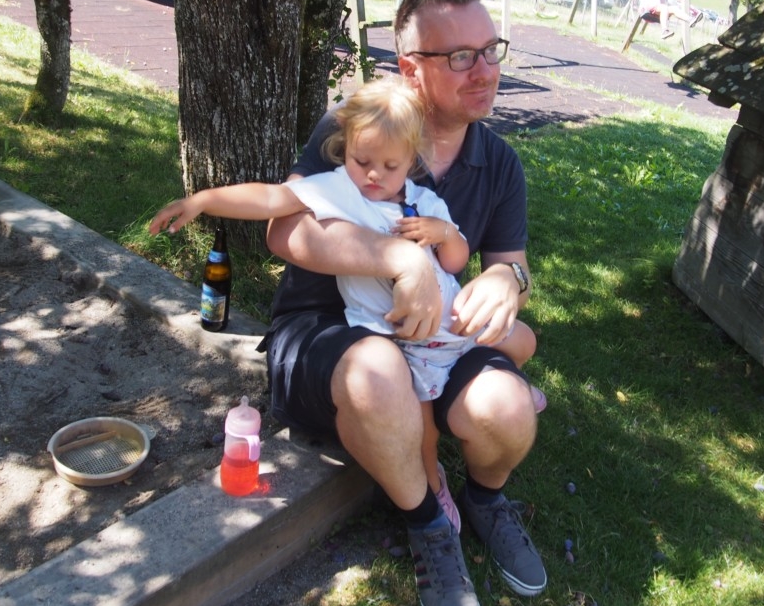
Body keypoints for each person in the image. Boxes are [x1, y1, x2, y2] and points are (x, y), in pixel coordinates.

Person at [259, 0, 547, 606]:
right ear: (411, 68)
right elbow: (283, 230)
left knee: (507, 410)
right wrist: (397, 257)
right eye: (462, 56)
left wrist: (508, 281)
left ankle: (484, 499)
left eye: (491, 50)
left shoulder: (498, 162)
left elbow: (513, 263)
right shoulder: (359, 126)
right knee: (380, 373)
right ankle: (428, 524)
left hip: (433, 340)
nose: (486, 71)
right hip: (328, 331)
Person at [148, 76, 539, 535]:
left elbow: (455, 261)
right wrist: (203, 200)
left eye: (390, 165)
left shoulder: (424, 201)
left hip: (451, 319)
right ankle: (432, 495)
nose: (373, 175)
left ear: (412, 160)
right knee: (423, 426)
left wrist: (446, 233)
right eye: (361, 160)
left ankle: (506, 401)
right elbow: (271, 198)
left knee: (524, 340)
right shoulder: (339, 190)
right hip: (409, 337)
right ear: (345, 147)